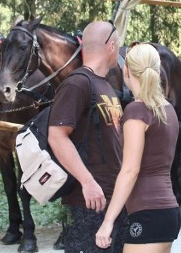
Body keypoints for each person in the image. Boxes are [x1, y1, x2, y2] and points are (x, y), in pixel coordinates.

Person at [48, 21, 127, 253]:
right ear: (111, 45)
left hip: (113, 200)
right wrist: (87, 182)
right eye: (119, 43)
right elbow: (56, 136)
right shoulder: (77, 83)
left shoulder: (105, 85)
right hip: (88, 203)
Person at [95, 43, 181, 252]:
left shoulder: (137, 111)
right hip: (167, 210)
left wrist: (108, 221)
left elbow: (130, 171)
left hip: (148, 213)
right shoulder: (167, 109)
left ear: (126, 70)